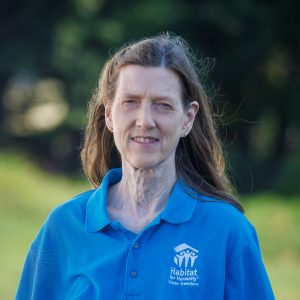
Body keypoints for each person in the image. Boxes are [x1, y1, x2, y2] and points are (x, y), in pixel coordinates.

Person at [16, 33, 275, 299]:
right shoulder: (63, 227)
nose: (145, 121)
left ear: (187, 118)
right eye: (130, 102)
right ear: (109, 114)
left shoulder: (227, 231)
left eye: (163, 105)